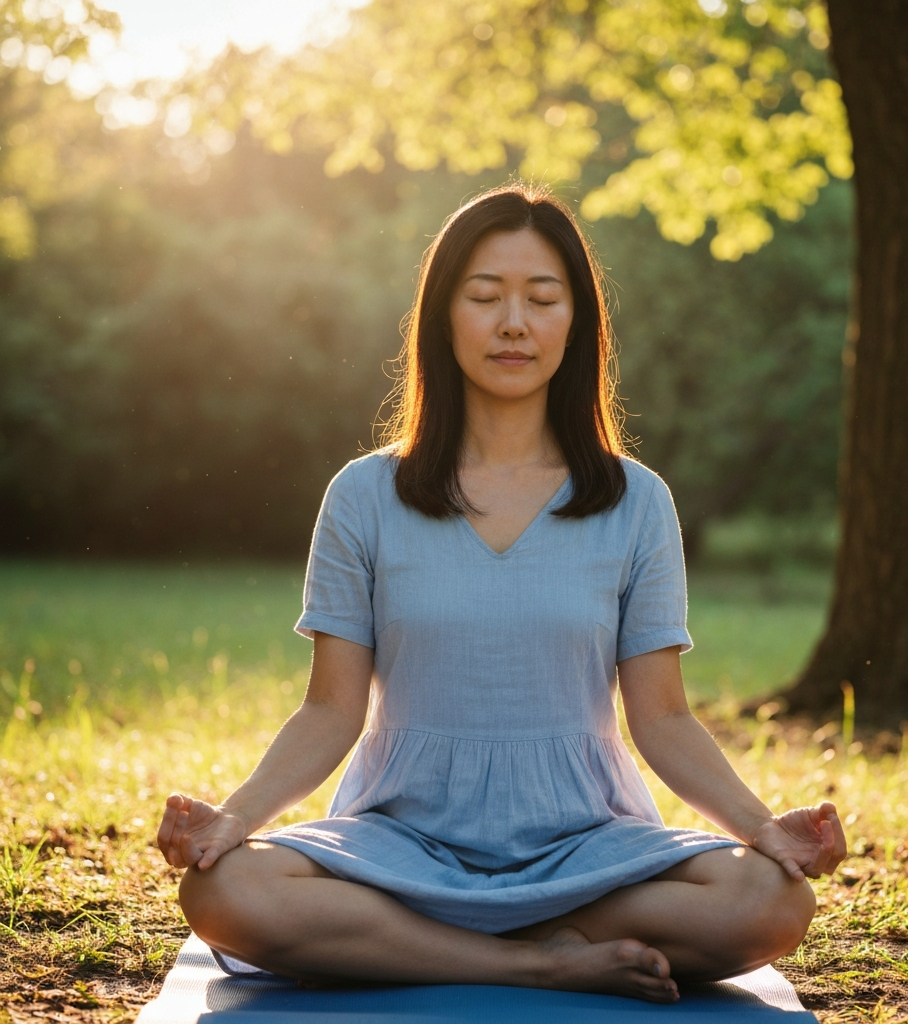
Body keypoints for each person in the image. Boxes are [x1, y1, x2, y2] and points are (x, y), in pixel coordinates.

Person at [158, 183, 846, 1004]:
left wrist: (761, 828)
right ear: (444, 320)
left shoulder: (637, 502)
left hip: (585, 847)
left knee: (770, 901)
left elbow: (660, 716)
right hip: (398, 845)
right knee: (220, 892)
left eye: (541, 298)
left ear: (576, 324)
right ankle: (539, 961)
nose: (512, 322)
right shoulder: (364, 495)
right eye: (484, 297)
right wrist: (236, 820)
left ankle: (421, 949)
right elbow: (330, 711)